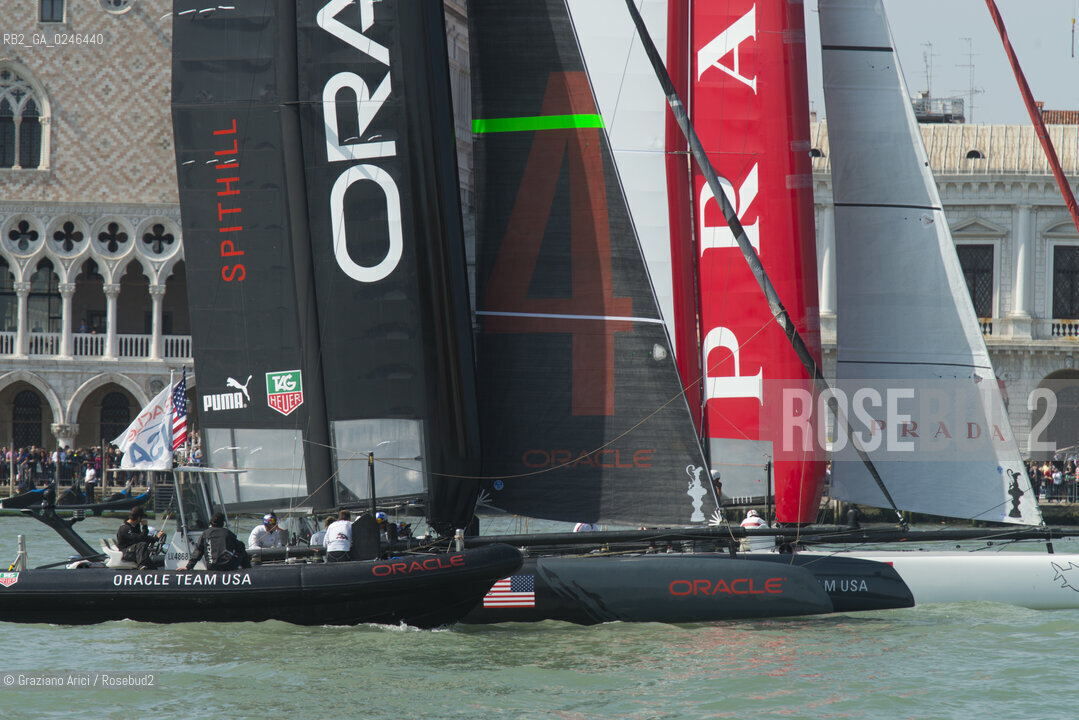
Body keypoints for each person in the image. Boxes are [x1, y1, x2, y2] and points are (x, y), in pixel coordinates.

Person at [181, 512, 249, 571]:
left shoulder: (205, 533)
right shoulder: (228, 533)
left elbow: (198, 551)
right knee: (242, 551)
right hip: (227, 566)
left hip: (211, 567)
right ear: (222, 523)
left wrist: (188, 567)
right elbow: (241, 547)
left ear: (211, 522)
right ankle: (247, 569)